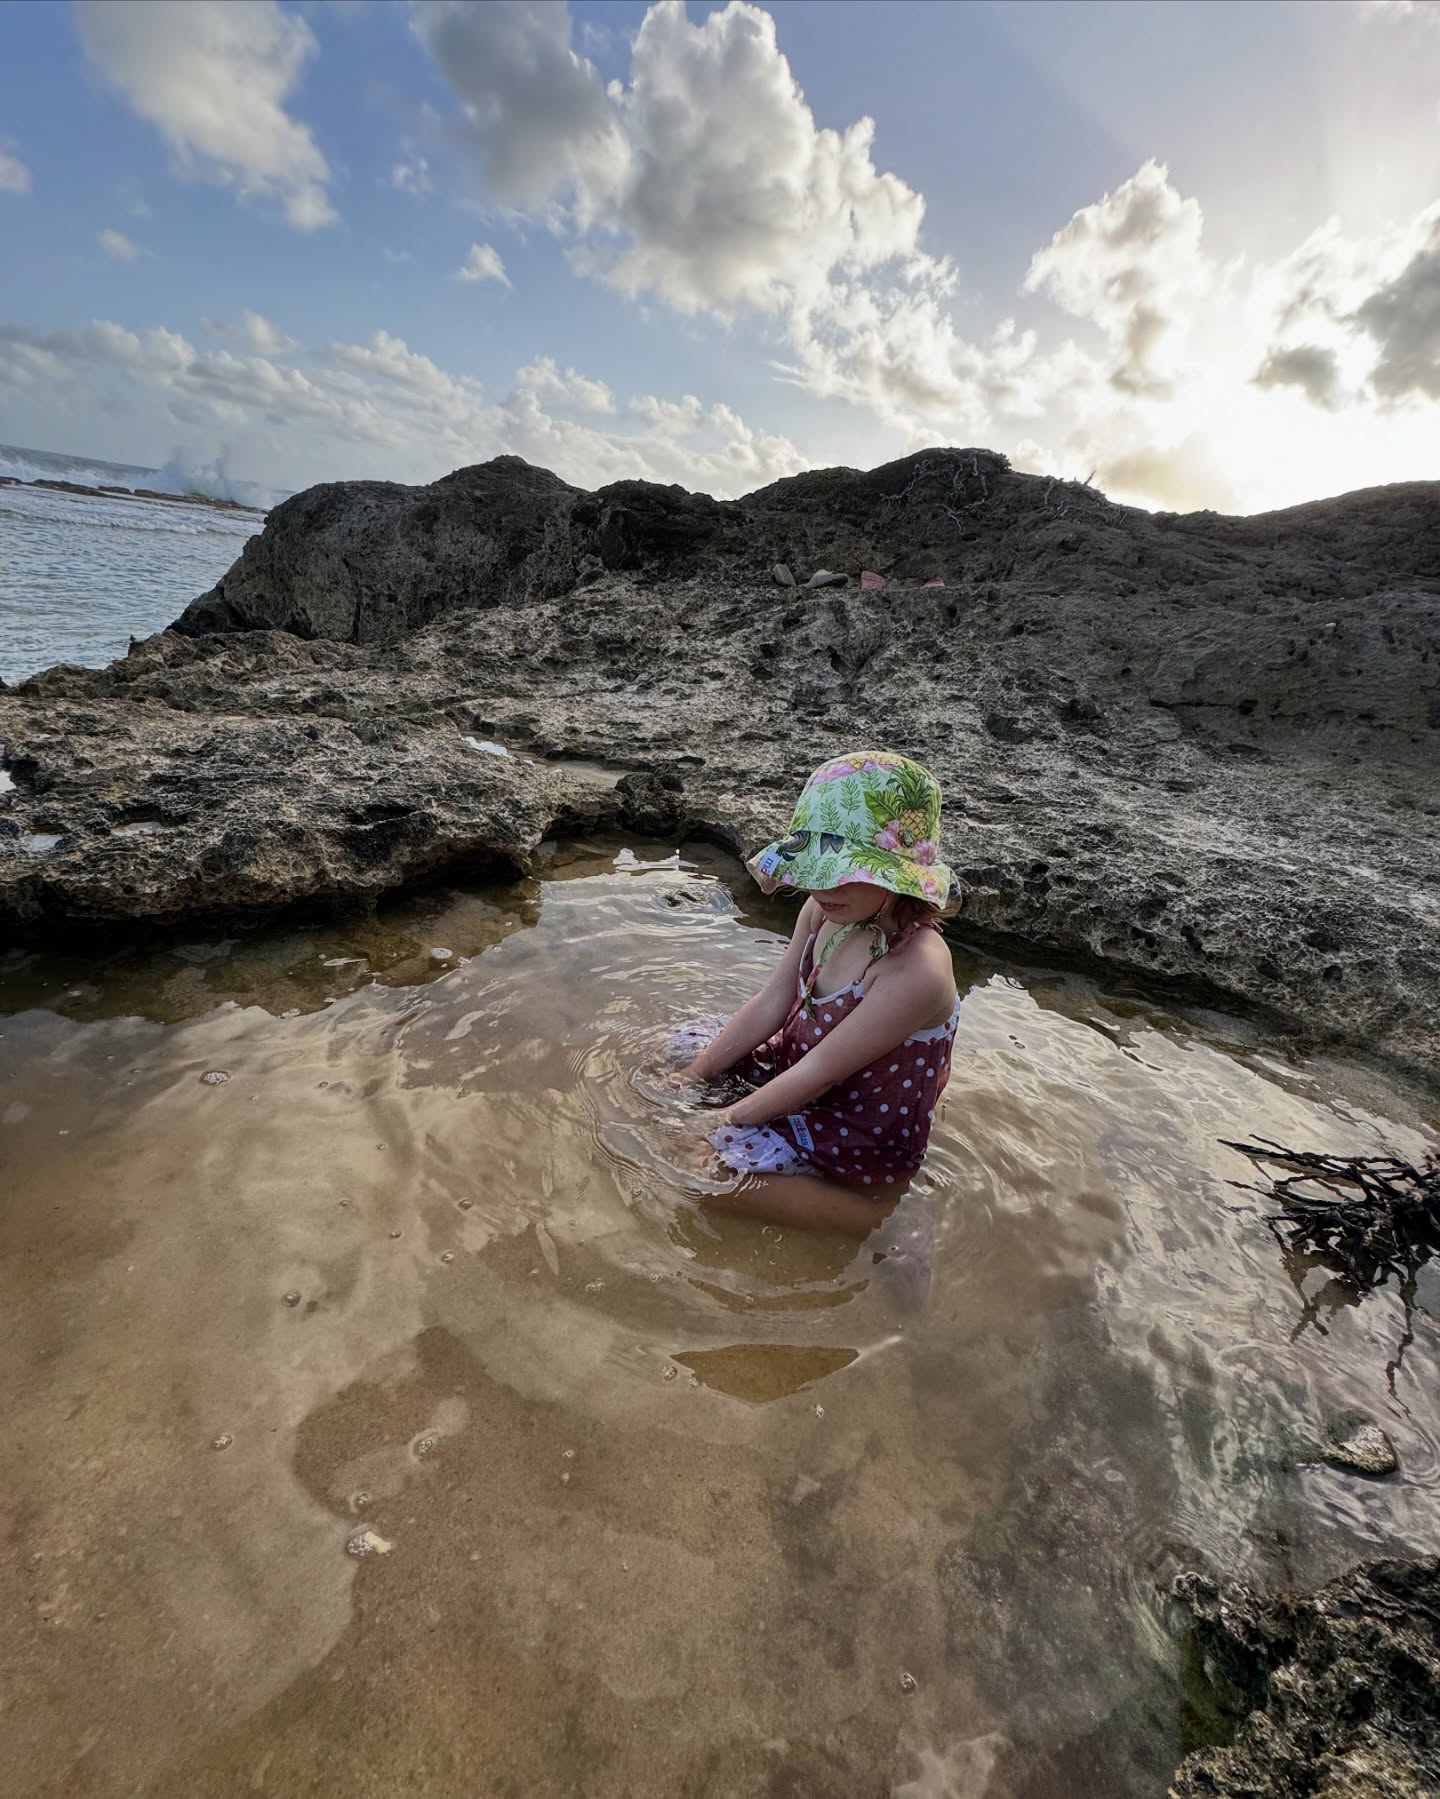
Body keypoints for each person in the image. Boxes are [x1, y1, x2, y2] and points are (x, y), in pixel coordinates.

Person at [672, 750, 960, 1239]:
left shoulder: (916, 970)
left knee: (708, 1169)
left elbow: (821, 1074)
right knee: (683, 1043)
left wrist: (720, 1120)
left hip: (858, 1121)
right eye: (813, 863)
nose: (819, 883)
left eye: (842, 867)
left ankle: (881, 1219)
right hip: (798, 1069)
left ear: (897, 874)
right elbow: (772, 1001)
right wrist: (693, 1074)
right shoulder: (823, 912)